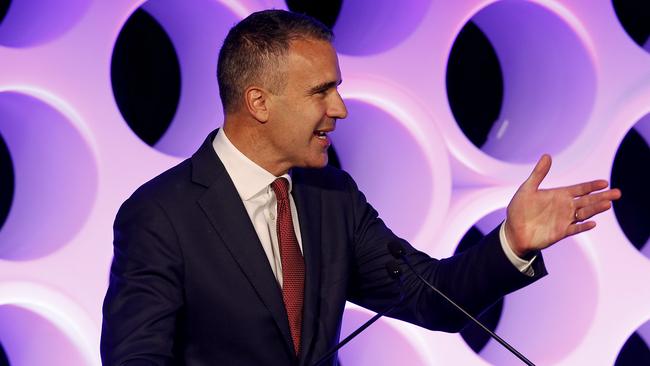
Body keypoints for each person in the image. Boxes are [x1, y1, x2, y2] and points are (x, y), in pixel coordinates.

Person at [100, 9, 621, 366]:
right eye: (321, 91)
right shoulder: (161, 214)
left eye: (338, 88)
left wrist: (513, 243)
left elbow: (430, 298)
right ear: (259, 103)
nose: (340, 109)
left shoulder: (333, 197)